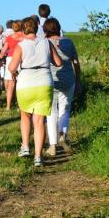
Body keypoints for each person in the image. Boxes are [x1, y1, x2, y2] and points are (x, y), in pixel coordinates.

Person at [8, 17, 62, 167]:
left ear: (24, 29)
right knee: (39, 121)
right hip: (44, 82)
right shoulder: (46, 42)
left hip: (26, 82)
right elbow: (58, 62)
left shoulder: (21, 46)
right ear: (37, 27)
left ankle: (25, 146)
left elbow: (12, 67)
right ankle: (38, 156)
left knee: (25, 115)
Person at [43, 18, 81, 156]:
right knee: (64, 109)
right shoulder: (68, 42)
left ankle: (52, 146)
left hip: (50, 80)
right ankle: (63, 136)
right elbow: (76, 62)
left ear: (45, 30)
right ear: (59, 28)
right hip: (68, 80)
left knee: (51, 112)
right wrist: (78, 81)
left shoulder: (44, 43)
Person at [0, 20, 24, 110]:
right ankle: (19, 105)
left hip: (10, 59)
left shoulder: (9, 37)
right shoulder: (24, 37)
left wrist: (1, 55)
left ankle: (8, 106)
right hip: (20, 59)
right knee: (20, 83)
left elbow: (3, 50)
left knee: (11, 84)